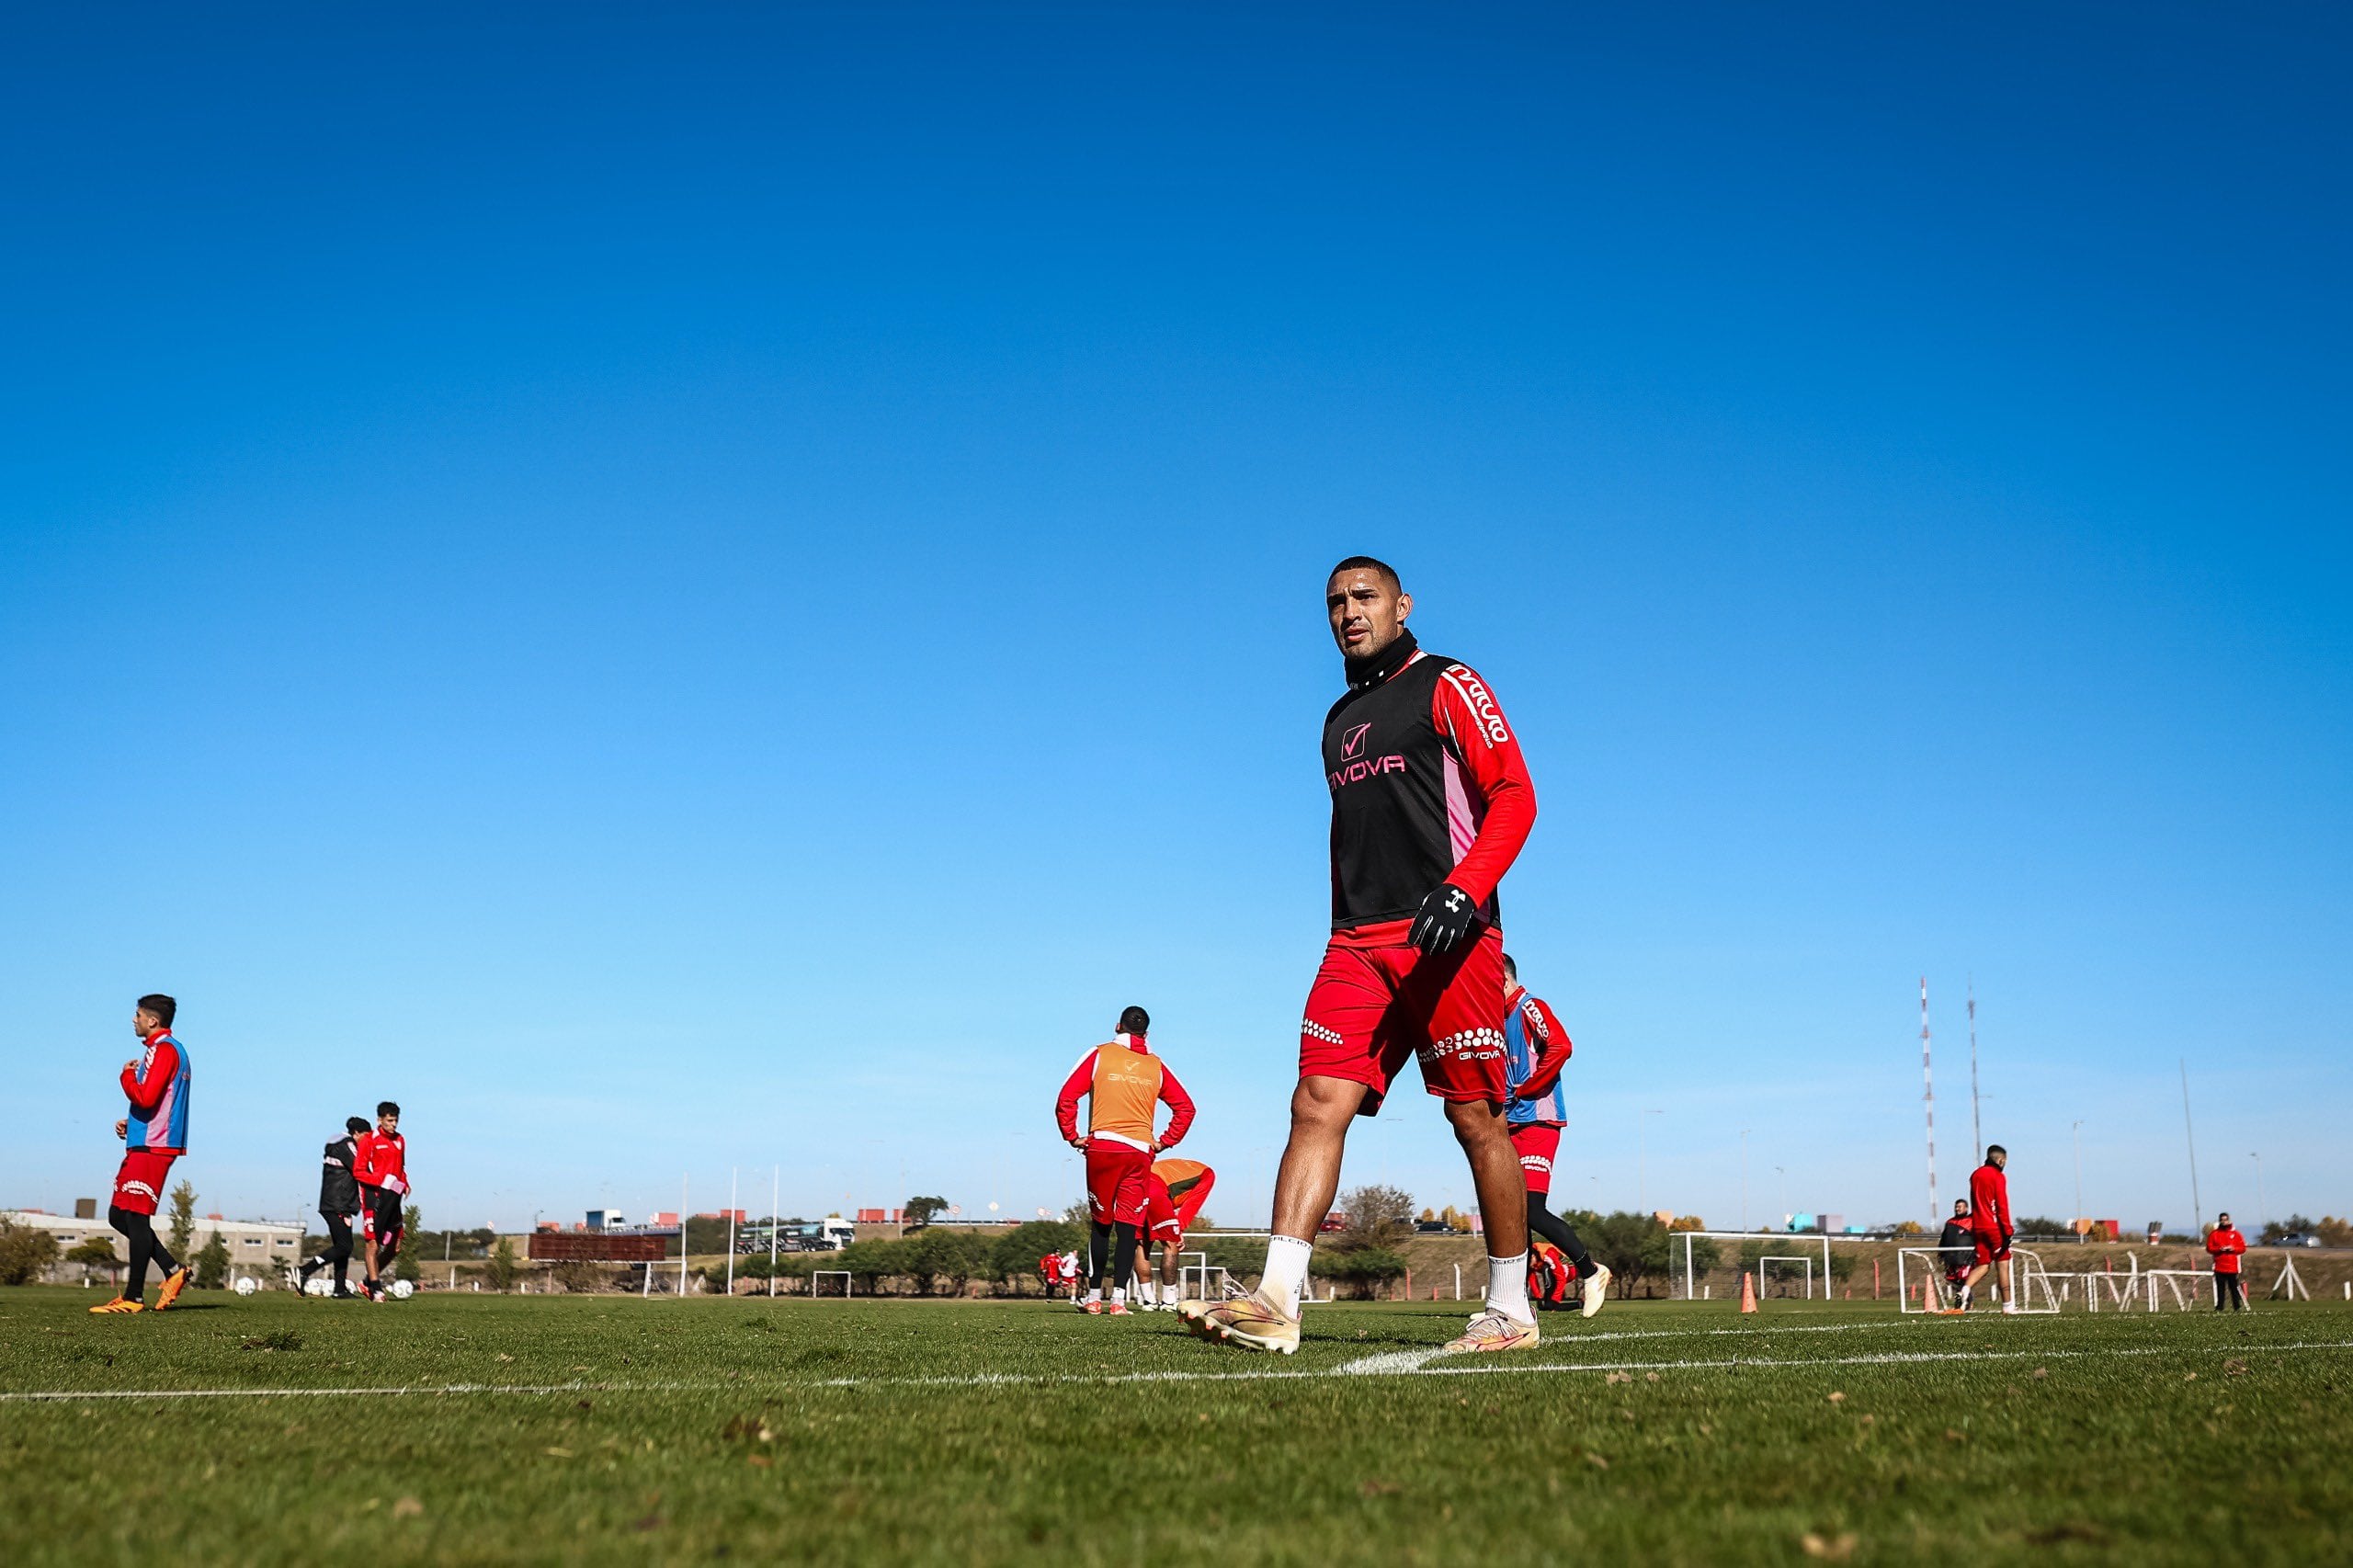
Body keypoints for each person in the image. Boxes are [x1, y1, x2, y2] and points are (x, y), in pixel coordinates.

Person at [1189, 558, 1539, 1356]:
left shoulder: (1450, 682)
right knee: (1315, 1101)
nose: (1349, 612)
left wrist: (1465, 889)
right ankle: (1277, 1300)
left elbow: (1515, 795)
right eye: (1335, 602)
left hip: (1450, 933)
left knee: (1475, 1116)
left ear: (1401, 605)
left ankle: (1511, 1309)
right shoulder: (1336, 719)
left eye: (1365, 597)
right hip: (1355, 940)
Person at [1054, 1006, 1195, 1316]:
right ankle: (1118, 1301)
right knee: (1128, 1228)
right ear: (1146, 1033)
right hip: (1139, 1153)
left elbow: (1066, 1097)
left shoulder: (1099, 1054)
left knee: (1101, 1226)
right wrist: (1163, 1141)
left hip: (1103, 1148)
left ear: (1117, 1026)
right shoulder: (1156, 1065)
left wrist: (1072, 1135)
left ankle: (1093, 1298)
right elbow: (1186, 1108)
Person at [1501, 954, 1610, 1319]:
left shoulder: (1530, 1006)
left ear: (1503, 978)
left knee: (1531, 1209)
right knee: (1509, 1214)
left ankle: (1591, 1272)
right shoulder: (1499, 1019)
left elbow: (1561, 1046)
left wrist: (1526, 1089)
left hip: (1538, 1121)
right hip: (1511, 1123)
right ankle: (1515, 1305)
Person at [92, 994, 196, 1315]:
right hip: (146, 1141)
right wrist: (133, 1122)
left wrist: (124, 1076)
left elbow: (147, 1096)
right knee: (118, 1215)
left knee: (136, 1216)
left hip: (154, 1145)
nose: (133, 1020)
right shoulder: (162, 1050)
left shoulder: (164, 1050)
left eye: (137, 1015)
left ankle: (133, 1297)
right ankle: (171, 1268)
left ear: (152, 1020)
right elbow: (155, 1102)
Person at [298, 1117, 370, 1299]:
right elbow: (360, 1170)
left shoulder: (341, 1143)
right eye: (366, 1137)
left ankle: (339, 1289)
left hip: (339, 1203)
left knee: (343, 1246)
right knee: (345, 1246)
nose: (368, 1142)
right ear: (356, 1134)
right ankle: (305, 1270)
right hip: (337, 1203)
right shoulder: (347, 1146)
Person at [1137, 1157, 1218, 1308]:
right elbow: (1192, 1204)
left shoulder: (1176, 1169)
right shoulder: (1208, 1174)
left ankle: (1148, 1300)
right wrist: (1179, 1229)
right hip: (1155, 1188)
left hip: (1135, 1187)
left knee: (1142, 1244)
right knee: (1171, 1243)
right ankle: (1168, 1300)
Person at [353, 1101, 410, 1302]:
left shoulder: (400, 1140)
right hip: (374, 1198)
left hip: (393, 1197)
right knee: (373, 1245)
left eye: (396, 1121)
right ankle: (376, 1290)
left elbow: (400, 1167)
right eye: (390, 1121)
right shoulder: (369, 1140)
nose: (393, 1125)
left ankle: (367, 1282)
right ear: (379, 1120)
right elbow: (358, 1171)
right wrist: (381, 1180)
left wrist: (405, 1182)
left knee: (395, 1247)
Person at [1957, 1144, 2014, 1314]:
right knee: (2003, 1265)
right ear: (2001, 1160)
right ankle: (2008, 1306)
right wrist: (2008, 1231)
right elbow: (2001, 1204)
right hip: (1994, 1227)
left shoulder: (1975, 1175)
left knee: (1983, 1264)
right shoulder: (1998, 1176)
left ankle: (1965, 1289)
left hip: (1978, 1226)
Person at [1937, 1199, 1975, 1312]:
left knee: (1964, 1279)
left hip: (1966, 1258)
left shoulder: (1971, 1220)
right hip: (1951, 1258)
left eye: (1960, 1207)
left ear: (1966, 1208)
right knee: (1952, 1279)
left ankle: (1966, 1299)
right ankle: (1962, 1297)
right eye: (1956, 1207)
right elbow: (1944, 1239)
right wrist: (1941, 1252)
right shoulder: (1949, 1223)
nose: (1957, 1209)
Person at [2206, 1211, 2248, 1312]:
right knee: (2220, 1289)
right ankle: (2220, 1307)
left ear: (2229, 1220)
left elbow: (2242, 1248)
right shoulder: (2214, 1234)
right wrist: (2219, 1249)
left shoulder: (2236, 1234)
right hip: (2219, 1266)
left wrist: (2233, 1249)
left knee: (2233, 1288)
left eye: (2225, 1220)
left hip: (2232, 1267)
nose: (2224, 1222)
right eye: (2222, 1220)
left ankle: (2236, 1307)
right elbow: (2209, 1248)